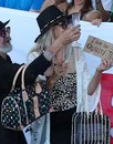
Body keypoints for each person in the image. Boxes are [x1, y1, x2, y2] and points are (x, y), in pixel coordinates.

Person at [0, 11, 78, 144]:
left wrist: (53, 77)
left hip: (11, 131)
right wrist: (59, 43)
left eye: (6, 30)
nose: (7, 35)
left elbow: (26, 82)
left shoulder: (3, 59)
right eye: (1, 33)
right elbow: (27, 74)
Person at [27, 8, 80, 144]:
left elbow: (87, 90)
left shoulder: (74, 53)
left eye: (68, 22)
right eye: (63, 24)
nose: (68, 27)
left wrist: (99, 71)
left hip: (73, 121)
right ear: (51, 30)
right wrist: (54, 77)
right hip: (50, 123)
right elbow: (37, 98)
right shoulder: (36, 56)